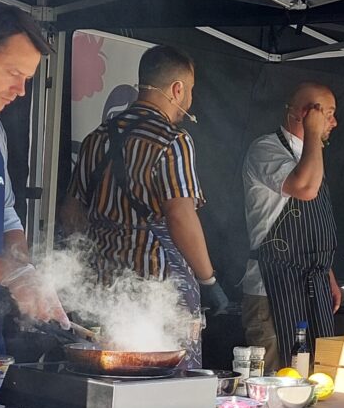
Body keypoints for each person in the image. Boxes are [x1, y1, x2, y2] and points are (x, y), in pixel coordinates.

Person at [62, 45, 228, 367]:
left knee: (114, 371)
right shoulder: (172, 140)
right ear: (177, 89)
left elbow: (71, 213)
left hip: (105, 289)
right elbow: (180, 216)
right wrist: (208, 280)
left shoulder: (96, 138)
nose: (189, 101)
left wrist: (88, 266)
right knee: (162, 377)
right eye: (190, 91)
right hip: (159, 292)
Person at [241, 83, 341, 371]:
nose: (334, 122)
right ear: (304, 114)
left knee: (316, 376)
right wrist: (313, 132)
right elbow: (305, 187)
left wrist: (328, 273)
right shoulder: (265, 149)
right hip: (272, 287)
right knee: (277, 379)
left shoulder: (310, 155)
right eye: (328, 114)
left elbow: (311, 223)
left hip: (312, 284)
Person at [0, 7, 69, 353]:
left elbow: (5, 214)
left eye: (28, 79)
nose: (21, 90)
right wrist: (10, 273)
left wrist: (26, 271)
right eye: (14, 73)